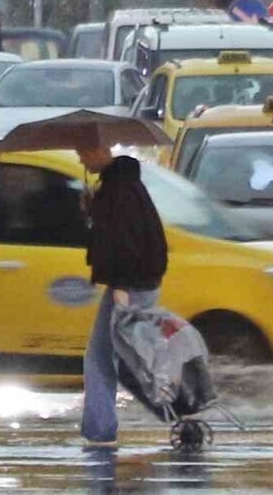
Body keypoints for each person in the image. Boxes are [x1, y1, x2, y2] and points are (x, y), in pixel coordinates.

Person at [77, 146, 169, 447]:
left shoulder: (118, 191)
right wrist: (92, 209)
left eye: (83, 152)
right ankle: (176, 406)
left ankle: (100, 431)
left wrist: (120, 288)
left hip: (129, 285)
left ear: (100, 151)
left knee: (101, 358)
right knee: (122, 357)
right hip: (136, 283)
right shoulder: (122, 185)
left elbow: (122, 242)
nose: (81, 158)